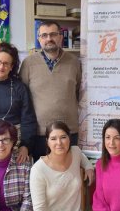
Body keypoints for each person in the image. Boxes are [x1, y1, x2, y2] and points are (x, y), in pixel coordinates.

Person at [20, 20, 82, 162]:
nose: (49, 39)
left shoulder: (74, 62)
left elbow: (78, 92)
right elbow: (23, 99)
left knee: (69, 176)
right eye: (44, 35)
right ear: (39, 39)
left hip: (69, 132)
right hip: (40, 134)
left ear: (61, 37)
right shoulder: (28, 63)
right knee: (43, 178)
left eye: (53, 34)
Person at [30, 121, 94, 211]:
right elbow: (39, 209)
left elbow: (83, 158)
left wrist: (89, 168)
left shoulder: (76, 152)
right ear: (47, 142)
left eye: (63, 137)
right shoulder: (38, 170)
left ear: (69, 138)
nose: (59, 142)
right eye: (53, 138)